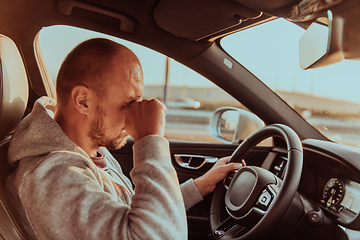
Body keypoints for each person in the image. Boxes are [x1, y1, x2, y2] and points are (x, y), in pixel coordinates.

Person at [6, 38, 245, 240]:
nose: (135, 111)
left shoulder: (90, 149)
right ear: (83, 101)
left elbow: (134, 212)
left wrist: (200, 185)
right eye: (130, 102)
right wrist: (149, 139)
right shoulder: (52, 179)